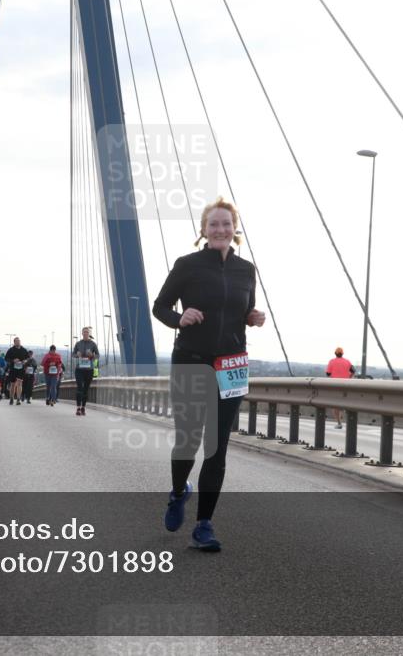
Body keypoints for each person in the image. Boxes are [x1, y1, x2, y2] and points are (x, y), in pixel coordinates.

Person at [152, 197, 265, 552]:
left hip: (231, 366)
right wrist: (178, 318)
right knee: (188, 440)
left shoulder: (246, 270)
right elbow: (160, 306)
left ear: (235, 229)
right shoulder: (187, 265)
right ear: (203, 230)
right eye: (213, 224)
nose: (220, 230)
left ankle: (204, 525)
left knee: (217, 449)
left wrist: (253, 316)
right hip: (190, 360)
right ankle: (177, 492)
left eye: (226, 224)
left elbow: (244, 309)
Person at [325, 347, 355, 428]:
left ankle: (339, 423)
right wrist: (349, 377)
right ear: (342, 353)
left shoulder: (332, 361)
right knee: (342, 402)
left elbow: (328, 374)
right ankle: (343, 413)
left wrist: (332, 378)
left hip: (335, 385)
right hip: (345, 385)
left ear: (335, 353)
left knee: (335, 405)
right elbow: (353, 370)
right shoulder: (347, 361)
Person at [72, 327, 99, 416]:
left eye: (87, 332)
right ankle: (78, 408)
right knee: (80, 388)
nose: (85, 334)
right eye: (84, 332)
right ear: (82, 333)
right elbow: (73, 354)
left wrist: (92, 355)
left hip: (89, 370)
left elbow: (98, 355)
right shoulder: (78, 343)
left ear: (89, 334)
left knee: (86, 390)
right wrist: (77, 355)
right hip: (79, 369)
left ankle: (83, 407)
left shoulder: (93, 344)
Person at [4, 337, 29, 405]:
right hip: (13, 369)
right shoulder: (11, 350)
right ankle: (11, 398)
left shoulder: (24, 350)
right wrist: (13, 360)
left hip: (21, 369)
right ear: (14, 342)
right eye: (16, 341)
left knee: (19, 383)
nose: (18, 342)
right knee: (12, 384)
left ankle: (18, 399)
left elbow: (27, 358)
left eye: (19, 341)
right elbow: (6, 358)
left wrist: (25, 361)